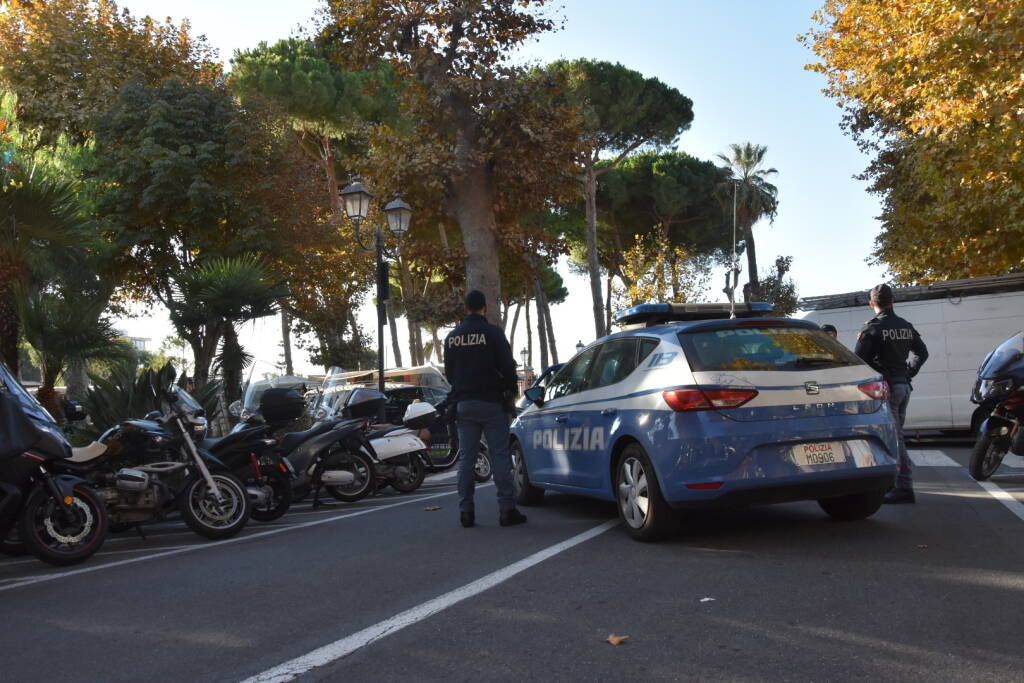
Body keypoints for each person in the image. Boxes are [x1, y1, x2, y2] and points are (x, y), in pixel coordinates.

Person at [443, 290, 527, 528]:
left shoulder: (452, 337)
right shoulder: (493, 333)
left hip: (464, 403)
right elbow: (508, 367)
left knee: (467, 459)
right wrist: (509, 391)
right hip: (491, 402)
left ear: (465, 308)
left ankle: (466, 512)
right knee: (500, 456)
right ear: (485, 308)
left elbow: (450, 373)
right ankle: (507, 510)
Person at [854, 284, 929, 504]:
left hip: (886, 389)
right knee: (897, 436)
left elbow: (859, 362)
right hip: (904, 387)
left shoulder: (872, 328)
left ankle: (904, 487)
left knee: (895, 440)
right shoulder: (905, 325)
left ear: (872, 304)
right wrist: (909, 372)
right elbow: (922, 353)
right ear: (892, 301)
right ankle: (895, 482)